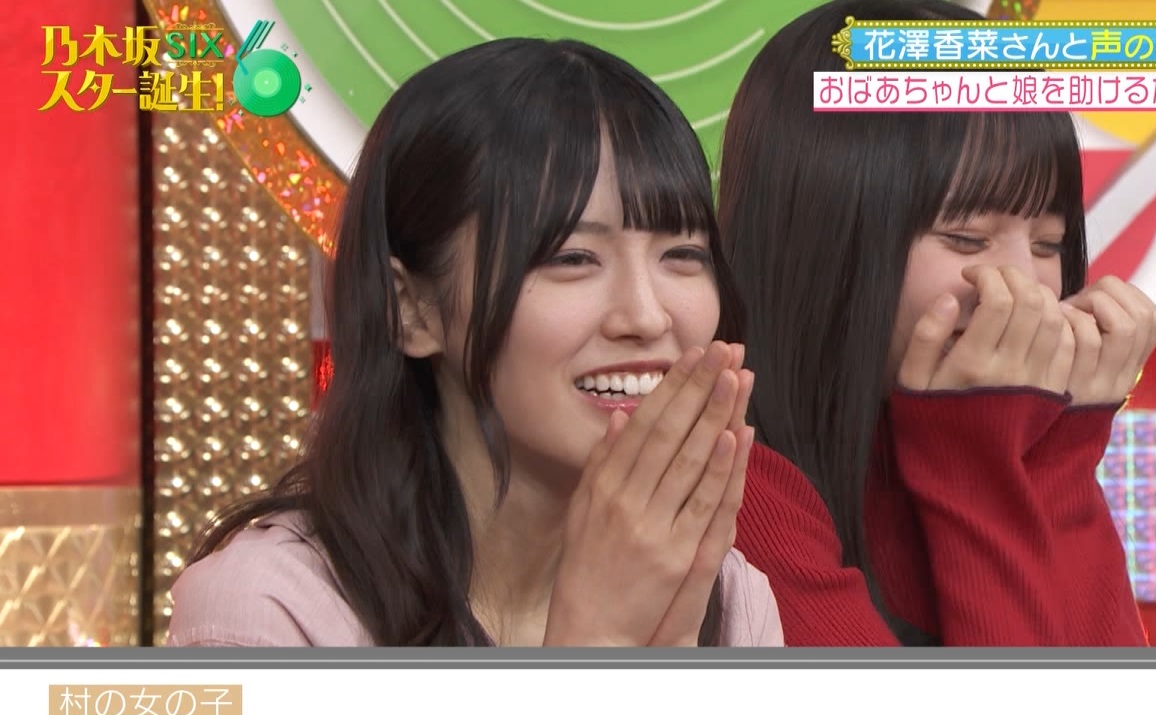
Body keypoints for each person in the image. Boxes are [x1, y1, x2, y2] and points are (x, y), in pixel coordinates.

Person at [167, 39, 783, 647]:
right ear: (411, 309)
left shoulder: (731, 597)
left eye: (683, 254)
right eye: (571, 257)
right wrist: (600, 645)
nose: (646, 317)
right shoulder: (268, 613)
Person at [721, 0, 1156, 645]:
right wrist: (976, 455)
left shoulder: (985, 435)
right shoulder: (740, 485)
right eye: (966, 239)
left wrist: (1062, 449)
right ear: (822, 240)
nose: (1028, 290)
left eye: (1048, 245)